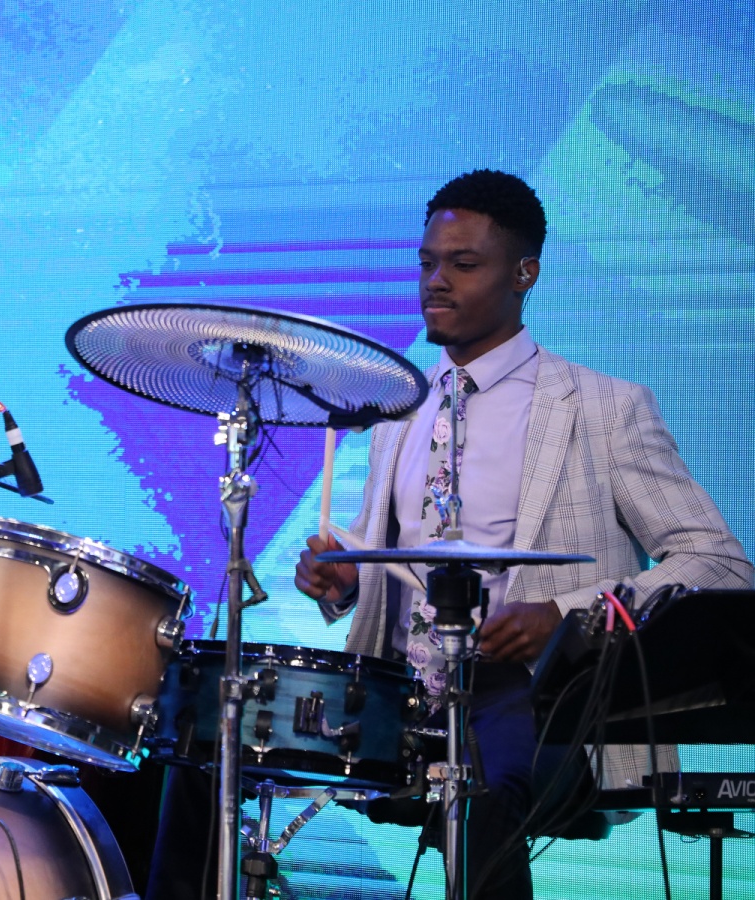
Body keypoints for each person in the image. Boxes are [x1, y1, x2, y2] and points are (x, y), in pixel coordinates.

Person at [294, 168, 753, 898]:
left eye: (463, 264)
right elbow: (401, 550)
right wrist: (348, 576)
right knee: (208, 745)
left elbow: (718, 562)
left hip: (533, 696)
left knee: (481, 782)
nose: (435, 282)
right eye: (427, 262)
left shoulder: (605, 410)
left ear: (524, 273)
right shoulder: (398, 411)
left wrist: (568, 617)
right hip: (402, 692)